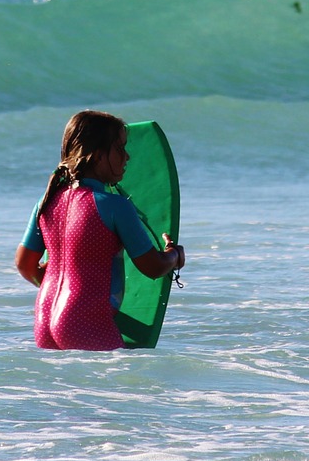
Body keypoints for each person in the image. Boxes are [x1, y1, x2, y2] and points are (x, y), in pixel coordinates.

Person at [15, 110, 185, 350]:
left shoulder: (47, 202)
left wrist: (67, 288)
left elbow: (25, 265)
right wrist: (174, 256)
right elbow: (153, 267)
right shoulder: (114, 205)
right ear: (96, 156)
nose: (127, 157)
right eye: (119, 149)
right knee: (118, 387)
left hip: (45, 318)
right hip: (86, 323)